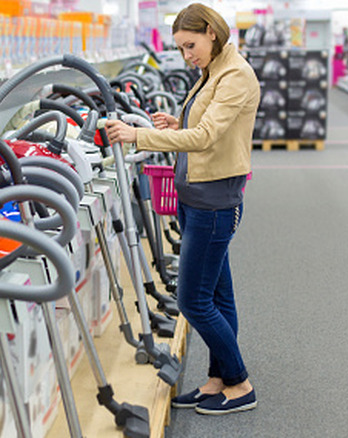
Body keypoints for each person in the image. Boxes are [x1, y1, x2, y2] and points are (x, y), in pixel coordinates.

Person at [105, 3, 259, 416]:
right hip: (196, 196)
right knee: (218, 298)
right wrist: (177, 123)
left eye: (191, 45)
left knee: (193, 301)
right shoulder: (214, 70)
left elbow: (208, 136)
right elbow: (206, 125)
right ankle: (218, 380)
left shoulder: (235, 74)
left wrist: (140, 135)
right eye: (181, 49)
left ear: (211, 31)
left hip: (214, 202)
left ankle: (240, 383)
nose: (187, 56)